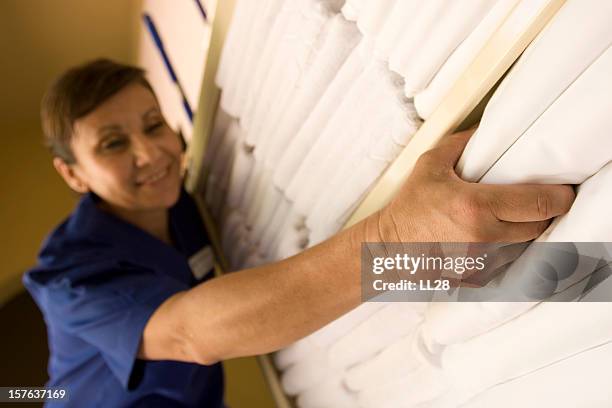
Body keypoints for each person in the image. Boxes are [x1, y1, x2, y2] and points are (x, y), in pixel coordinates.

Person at [23, 59, 575, 407]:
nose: (151, 154)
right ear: (72, 173)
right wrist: (393, 236)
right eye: (113, 144)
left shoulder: (184, 207)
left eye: (153, 125)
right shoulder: (68, 275)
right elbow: (192, 336)